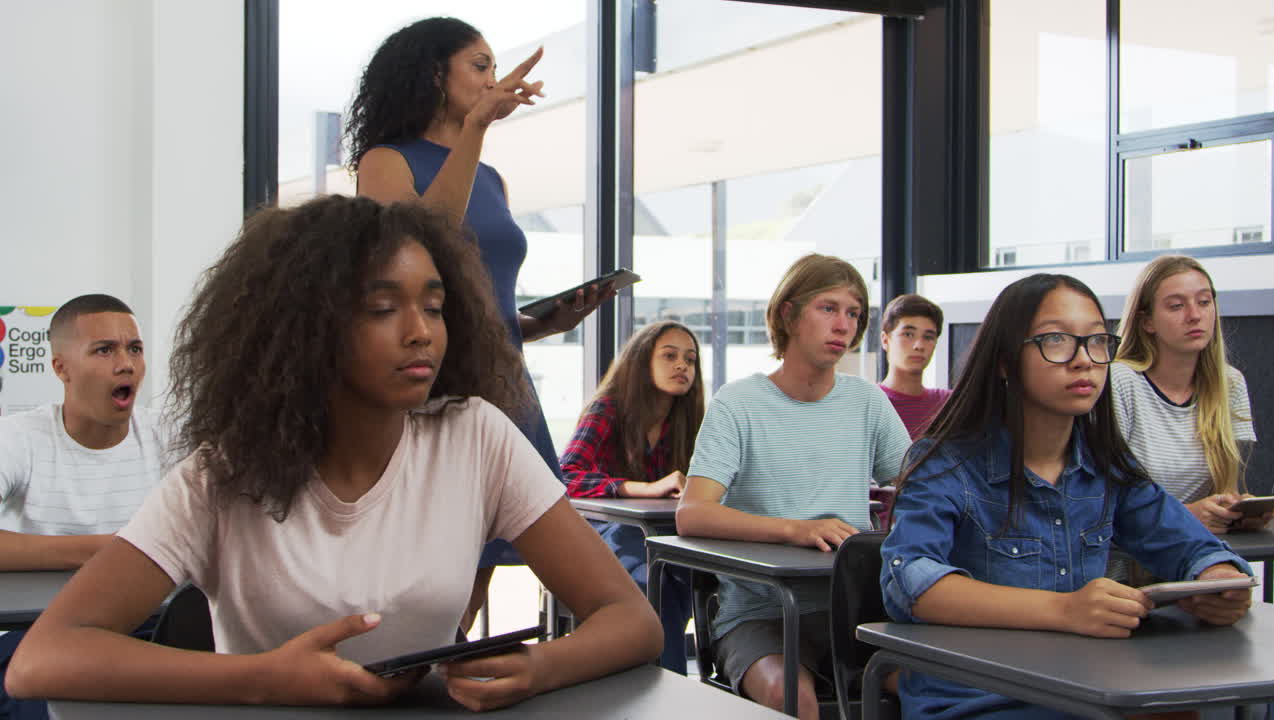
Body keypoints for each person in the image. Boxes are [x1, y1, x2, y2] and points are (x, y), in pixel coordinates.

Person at [6, 196, 661, 711]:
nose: (420, 333)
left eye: (434, 308)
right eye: (383, 308)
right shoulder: (221, 477)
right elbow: (44, 659)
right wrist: (264, 679)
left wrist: (538, 668)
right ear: (305, 328)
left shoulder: (475, 436)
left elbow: (631, 620)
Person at [880, 273, 1253, 720]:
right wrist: (1064, 609)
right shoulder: (946, 463)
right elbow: (910, 582)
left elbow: (1194, 545)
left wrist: (1218, 581)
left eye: (1097, 341)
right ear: (1004, 360)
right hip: (979, 698)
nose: (1084, 361)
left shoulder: (1106, 467)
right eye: (1056, 340)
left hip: (1087, 689)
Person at [348, 16, 614, 627]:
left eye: (495, 66)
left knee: (491, 545)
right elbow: (422, 246)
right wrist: (474, 129)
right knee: (435, 541)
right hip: (430, 374)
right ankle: (404, 664)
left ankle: (440, 662)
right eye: (480, 65)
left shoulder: (492, 177)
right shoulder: (385, 161)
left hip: (503, 376)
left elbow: (479, 290)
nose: (494, 79)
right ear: (433, 75)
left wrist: (543, 322)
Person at [676, 254, 910, 720]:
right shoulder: (737, 403)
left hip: (851, 608)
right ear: (788, 313)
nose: (843, 324)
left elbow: (915, 484)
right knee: (796, 702)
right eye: (828, 308)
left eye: (854, 313)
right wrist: (796, 530)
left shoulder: (867, 401)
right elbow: (693, 513)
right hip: (760, 614)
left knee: (930, 688)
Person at [0, 294, 170, 720]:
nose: (126, 364)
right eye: (104, 349)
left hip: (147, 631)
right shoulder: (18, 437)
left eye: (134, 348)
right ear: (61, 368)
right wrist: (115, 551)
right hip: (38, 633)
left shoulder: (168, 433)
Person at [560, 321, 705, 674]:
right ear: (642, 361)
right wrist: (640, 487)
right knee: (651, 566)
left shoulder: (690, 420)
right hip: (602, 533)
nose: (682, 366)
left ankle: (657, 683)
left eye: (690, 359)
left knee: (683, 568)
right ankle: (666, 683)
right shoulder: (609, 409)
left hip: (662, 538)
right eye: (669, 356)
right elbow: (564, 477)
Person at [1112, 255, 1271, 543]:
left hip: (1194, 550)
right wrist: (1184, 514)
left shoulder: (1229, 383)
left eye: (1204, 302)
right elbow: (1099, 504)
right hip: (1130, 558)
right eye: (1176, 306)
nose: (1195, 315)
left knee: (1232, 586)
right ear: (1147, 322)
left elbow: (1220, 491)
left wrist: (1234, 512)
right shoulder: (1120, 382)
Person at [879, 293, 951, 441]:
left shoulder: (949, 404)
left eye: (928, 337)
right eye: (908, 334)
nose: (919, 345)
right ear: (885, 340)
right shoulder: (870, 402)